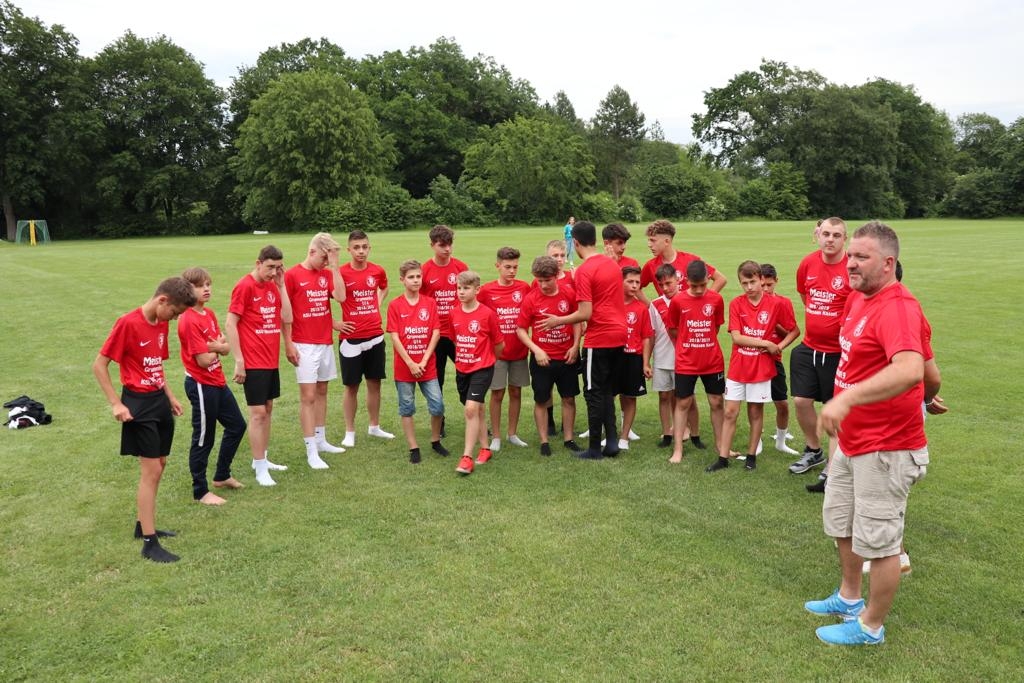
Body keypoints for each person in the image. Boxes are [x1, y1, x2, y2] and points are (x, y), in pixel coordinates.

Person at [805, 221, 929, 646]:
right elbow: (928, 370)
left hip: (886, 446)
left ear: (888, 263)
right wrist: (931, 394)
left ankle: (870, 627)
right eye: (851, 256)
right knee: (842, 521)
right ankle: (849, 597)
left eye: (862, 257)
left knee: (880, 542)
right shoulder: (859, 298)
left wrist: (846, 400)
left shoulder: (898, 307)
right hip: (853, 440)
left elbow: (910, 368)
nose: (851, 264)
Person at [92, 276, 196, 563]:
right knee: (150, 471)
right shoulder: (128, 323)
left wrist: (170, 396)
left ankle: (143, 525)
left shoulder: (161, 323)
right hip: (138, 405)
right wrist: (116, 403)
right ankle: (150, 544)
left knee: (160, 464)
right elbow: (99, 365)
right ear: (163, 300)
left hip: (159, 401)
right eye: (174, 312)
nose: (174, 319)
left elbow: (155, 364)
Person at [539, 220, 626, 460]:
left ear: (575, 243)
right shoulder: (611, 264)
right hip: (620, 334)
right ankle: (612, 443)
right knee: (606, 390)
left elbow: (585, 313)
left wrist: (558, 320)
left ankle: (595, 448)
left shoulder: (585, 270)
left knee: (593, 392)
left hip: (600, 338)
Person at [707, 261, 798, 472]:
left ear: (761, 279)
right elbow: (737, 338)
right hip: (738, 366)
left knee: (756, 411)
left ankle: (751, 457)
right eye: (744, 283)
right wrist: (766, 343)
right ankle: (722, 458)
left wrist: (779, 347)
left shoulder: (776, 304)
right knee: (730, 412)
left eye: (753, 282)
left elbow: (794, 330)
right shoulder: (736, 304)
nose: (749, 287)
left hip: (761, 367)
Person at [788, 217, 851, 489]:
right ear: (817, 235)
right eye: (826, 234)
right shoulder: (807, 263)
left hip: (838, 352)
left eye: (836, 235)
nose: (830, 239)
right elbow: (806, 296)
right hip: (809, 346)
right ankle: (813, 450)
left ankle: (833, 468)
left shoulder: (850, 268)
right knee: (801, 401)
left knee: (833, 409)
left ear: (845, 239)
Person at [226, 245, 295, 487]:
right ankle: (260, 468)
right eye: (270, 267)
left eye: (278, 268)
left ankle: (262, 459)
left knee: (268, 409)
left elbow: (287, 318)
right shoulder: (245, 286)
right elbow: (230, 323)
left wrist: (282, 285)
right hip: (253, 361)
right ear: (258, 263)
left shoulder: (273, 286)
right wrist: (239, 360)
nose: (274, 272)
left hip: (270, 360)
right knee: (258, 414)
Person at [178, 267, 247, 506]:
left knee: (237, 426)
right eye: (200, 286)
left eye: (208, 284)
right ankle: (200, 491)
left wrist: (216, 347)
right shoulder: (188, 319)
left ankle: (222, 475)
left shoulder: (208, 314)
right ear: (187, 290)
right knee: (203, 438)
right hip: (200, 384)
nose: (206, 289)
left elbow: (225, 348)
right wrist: (218, 347)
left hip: (217, 381)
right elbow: (204, 360)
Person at [283, 233, 346, 469]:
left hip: (324, 341)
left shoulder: (326, 274)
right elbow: (284, 313)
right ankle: (311, 450)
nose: (326, 263)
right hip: (303, 343)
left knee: (322, 390)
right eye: (323, 258)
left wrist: (335, 267)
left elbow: (340, 297)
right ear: (311, 252)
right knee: (308, 397)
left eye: (328, 259)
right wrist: (288, 343)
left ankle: (321, 440)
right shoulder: (292, 276)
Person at [516, 255, 582, 456]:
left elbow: (577, 320)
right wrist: (536, 350)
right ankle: (544, 441)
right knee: (541, 400)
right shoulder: (531, 299)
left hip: (567, 357)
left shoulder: (568, 293)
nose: (543, 285)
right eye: (539, 280)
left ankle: (569, 439)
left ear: (556, 275)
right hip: (542, 359)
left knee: (569, 398)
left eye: (547, 280)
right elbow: (520, 329)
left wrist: (575, 346)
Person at [386, 259, 448, 464]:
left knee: (437, 405)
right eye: (411, 277)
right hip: (404, 368)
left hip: (427, 366)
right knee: (407, 407)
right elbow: (395, 337)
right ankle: (413, 447)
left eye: (418, 276)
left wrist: (423, 360)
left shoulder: (430, 303)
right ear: (402, 280)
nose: (415, 280)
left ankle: (435, 440)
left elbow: (436, 332)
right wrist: (411, 363)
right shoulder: (395, 305)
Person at [337, 230, 394, 447]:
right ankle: (349, 431)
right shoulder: (341, 273)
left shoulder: (377, 270)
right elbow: (322, 300)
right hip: (350, 338)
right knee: (351, 386)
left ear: (369, 248)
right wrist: (335, 323)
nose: (361, 251)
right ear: (349, 250)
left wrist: (377, 303)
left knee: (374, 383)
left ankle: (374, 426)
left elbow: (384, 287)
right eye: (356, 247)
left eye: (364, 247)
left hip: (375, 335)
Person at [666, 261, 726, 464]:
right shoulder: (678, 301)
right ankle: (678, 449)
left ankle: (721, 445)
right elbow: (673, 328)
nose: (699, 290)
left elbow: (715, 327)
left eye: (703, 285)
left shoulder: (716, 299)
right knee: (683, 402)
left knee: (717, 402)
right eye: (694, 286)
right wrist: (688, 341)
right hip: (686, 361)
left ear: (708, 279)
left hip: (712, 360)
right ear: (687, 282)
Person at [450, 271, 504, 475]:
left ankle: (466, 458)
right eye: (459, 288)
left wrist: (487, 360)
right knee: (477, 409)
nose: (461, 292)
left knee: (471, 410)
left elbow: (499, 344)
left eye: (466, 288)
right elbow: (456, 339)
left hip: (482, 368)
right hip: (462, 368)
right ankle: (485, 448)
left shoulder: (487, 314)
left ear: (477, 290)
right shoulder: (453, 313)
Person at [480, 246, 533, 451]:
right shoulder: (487, 291)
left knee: (516, 392)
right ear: (498, 266)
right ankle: (496, 436)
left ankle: (512, 433)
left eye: (515, 267)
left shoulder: (524, 288)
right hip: (497, 353)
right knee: (497, 394)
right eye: (508, 267)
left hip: (519, 351)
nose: (512, 271)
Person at [421, 224, 469, 434]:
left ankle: (474, 417)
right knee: (436, 379)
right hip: (435, 335)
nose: (447, 249)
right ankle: (438, 423)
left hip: (459, 333)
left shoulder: (460, 267)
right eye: (442, 245)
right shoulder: (424, 270)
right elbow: (420, 303)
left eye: (450, 244)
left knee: (468, 374)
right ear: (432, 245)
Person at [759, 263, 800, 456]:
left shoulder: (783, 303)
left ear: (776, 281)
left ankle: (781, 442)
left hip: (774, 359)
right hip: (754, 360)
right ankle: (756, 443)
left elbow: (793, 331)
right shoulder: (750, 302)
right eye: (763, 285)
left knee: (782, 403)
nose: (766, 289)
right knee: (755, 404)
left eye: (769, 285)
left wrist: (778, 345)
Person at [613, 266, 653, 451]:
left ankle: (624, 437)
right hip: (613, 356)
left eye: (637, 282)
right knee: (608, 396)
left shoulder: (641, 308)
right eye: (630, 281)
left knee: (629, 397)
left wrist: (645, 363)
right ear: (620, 282)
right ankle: (610, 434)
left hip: (633, 359)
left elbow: (646, 337)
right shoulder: (611, 304)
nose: (635, 285)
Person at [641, 219, 727, 296]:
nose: (649, 245)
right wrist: (650, 305)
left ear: (667, 241)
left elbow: (720, 279)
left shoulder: (691, 260)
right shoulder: (650, 265)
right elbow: (636, 287)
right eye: (649, 240)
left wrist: (705, 299)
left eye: (653, 240)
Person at [649, 263, 681, 448]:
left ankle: (680, 430)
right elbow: (651, 334)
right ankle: (667, 433)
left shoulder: (685, 300)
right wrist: (647, 361)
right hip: (661, 358)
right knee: (664, 396)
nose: (666, 288)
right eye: (662, 285)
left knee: (680, 397)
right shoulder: (655, 304)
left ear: (677, 279)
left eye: (669, 283)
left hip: (682, 359)